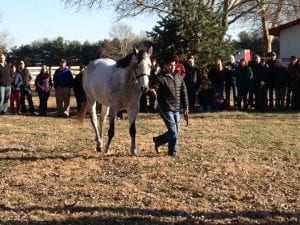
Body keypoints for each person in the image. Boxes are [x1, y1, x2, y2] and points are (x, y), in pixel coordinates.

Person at [149, 55, 189, 157]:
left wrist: (186, 107)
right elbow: (154, 87)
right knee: (173, 131)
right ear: (165, 66)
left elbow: (184, 92)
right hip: (165, 108)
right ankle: (172, 152)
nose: (172, 67)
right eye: (170, 65)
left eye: (174, 65)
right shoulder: (160, 77)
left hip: (176, 108)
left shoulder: (179, 77)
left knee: (176, 131)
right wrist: (153, 90)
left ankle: (158, 140)